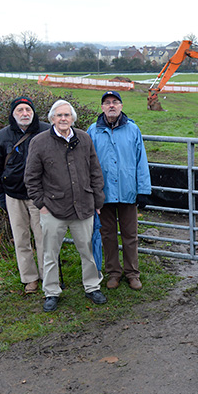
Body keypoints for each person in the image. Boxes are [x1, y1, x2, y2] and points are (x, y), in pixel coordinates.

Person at [24, 100, 107, 312]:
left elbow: (95, 172)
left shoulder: (84, 138)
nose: (63, 119)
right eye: (59, 115)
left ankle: (92, 286)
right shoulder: (39, 142)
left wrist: (98, 201)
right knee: (50, 254)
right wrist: (41, 204)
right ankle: (51, 291)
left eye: (67, 115)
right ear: (52, 118)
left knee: (87, 251)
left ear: (73, 118)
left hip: (84, 207)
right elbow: (31, 178)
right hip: (53, 208)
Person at [87, 91, 151, 291]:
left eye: (115, 102)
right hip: (103, 193)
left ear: (121, 106)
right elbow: (87, 163)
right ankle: (113, 272)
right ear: (102, 107)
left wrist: (143, 190)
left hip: (127, 191)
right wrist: (91, 191)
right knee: (107, 235)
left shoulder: (132, 129)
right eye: (107, 103)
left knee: (130, 235)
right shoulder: (93, 131)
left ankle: (132, 273)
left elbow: (141, 161)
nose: (111, 106)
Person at [0, 96, 51, 294]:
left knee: (44, 238)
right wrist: (1, 195)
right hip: (13, 195)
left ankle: (48, 276)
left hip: (40, 196)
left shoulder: (47, 130)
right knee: (21, 239)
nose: (25, 114)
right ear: (13, 114)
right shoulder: (1, 136)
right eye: (20, 111)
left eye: (28, 110)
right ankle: (29, 278)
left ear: (33, 112)